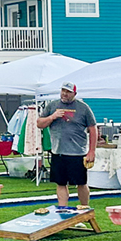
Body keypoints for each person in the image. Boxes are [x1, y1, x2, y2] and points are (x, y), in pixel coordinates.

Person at [36, 83, 98, 211]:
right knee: (61, 183)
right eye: (63, 90)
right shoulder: (52, 105)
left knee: (81, 183)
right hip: (58, 152)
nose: (65, 94)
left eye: (68, 91)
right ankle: (63, 210)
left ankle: (85, 209)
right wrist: (53, 116)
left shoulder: (83, 108)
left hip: (77, 152)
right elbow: (39, 123)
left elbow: (93, 129)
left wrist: (91, 151)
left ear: (75, 93)